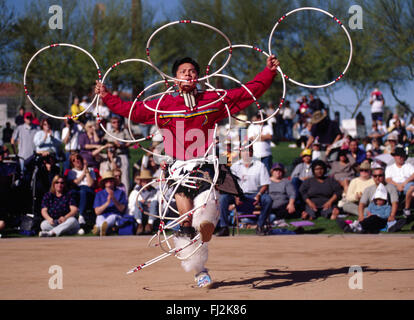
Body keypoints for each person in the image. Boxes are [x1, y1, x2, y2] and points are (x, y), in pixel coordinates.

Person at [95, 55, 280, 287]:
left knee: (205, 209)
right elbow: (132, 110)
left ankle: (208, 222)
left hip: (207, 165)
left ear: (199, 76)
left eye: (192, 71)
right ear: (174, 77)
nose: (189, 74)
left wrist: (269, 72)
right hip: (178, 169)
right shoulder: (162, 105)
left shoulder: (213, 99)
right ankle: (198, 270)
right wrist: (106, 97)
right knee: (185, 220)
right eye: (183, 71)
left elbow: (246, 93)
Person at [217, 145, 273, 236]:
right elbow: (231, 184)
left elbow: (265, 184)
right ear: (240, 153)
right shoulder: (235, 166)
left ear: (252, 152)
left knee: (268, 199)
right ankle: (224, 227)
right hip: (238, 194)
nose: (246, 153)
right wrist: (236, 195)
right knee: (223, 198)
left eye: (248, 151)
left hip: (255, 194)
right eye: (244, 151)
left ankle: (260, 225)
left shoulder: (260, 165)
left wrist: (259, 194)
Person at [93, 170, 128, 236]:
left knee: (112, 217)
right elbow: (97, 212)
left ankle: (99, 228)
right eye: (107, 180)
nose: (109, 182)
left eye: (111, 180)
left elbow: (122, 209)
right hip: (103, 215)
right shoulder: (99, 194)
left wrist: (113, 199)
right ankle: (102, 229)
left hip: (115, 215)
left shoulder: (120, 192)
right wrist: (107, 203)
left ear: (114, 182)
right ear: (104, 183)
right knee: (99, 217)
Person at [66, 153, 97, 225]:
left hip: (88, 190)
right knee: (74, 192)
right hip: (77, 189)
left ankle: (81, 215)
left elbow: (90, 184)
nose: (76, 161)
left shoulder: (90, 170)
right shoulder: (71, 172)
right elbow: (75, 183)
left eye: (78, 158)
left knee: (83, 191)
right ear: (72, 163)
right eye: (73, 160)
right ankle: (73, 214)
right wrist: (83, 173)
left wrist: (87, 172)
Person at [104, 116, 132, 192]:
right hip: (112, 156)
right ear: (111, 124)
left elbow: (131, 141)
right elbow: (104, 142)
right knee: (111, 175)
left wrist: (123, 145)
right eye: (114, 122)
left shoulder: (124, 131)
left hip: (122, 154)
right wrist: (113, 143)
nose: (116, 124)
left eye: (118, 122)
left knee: (124, 176)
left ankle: (125, 194)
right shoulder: (109, 132)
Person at [385, 147, 414, 217]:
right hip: (394, 184)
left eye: (402, 156)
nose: (400, 157)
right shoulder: (390, 167)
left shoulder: (408, 166)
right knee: (389, 188)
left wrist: (405, 183)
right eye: (398, 155)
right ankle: (393, 209)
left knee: (412, 188)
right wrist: (397, 185)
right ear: (394, 157)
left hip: (406, 184)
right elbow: (388, 179)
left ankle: (406, 208)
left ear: (404, 157)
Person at [128, 169, 157, 235]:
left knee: (154, 202)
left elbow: (157, 204)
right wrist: (142, 204)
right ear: (141, 182)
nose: (146, 183)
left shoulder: (155, 191)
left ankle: (150, 224)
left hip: (151, 214)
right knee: (137, 202)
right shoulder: (135, 192)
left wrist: (149, 204)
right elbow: (131, 206)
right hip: (138, 215)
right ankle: (139, 225)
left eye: (148, 181)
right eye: (144, 181)